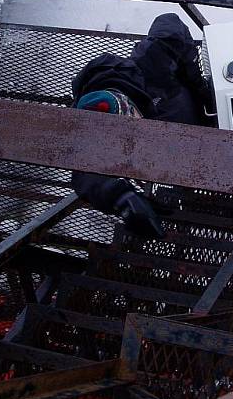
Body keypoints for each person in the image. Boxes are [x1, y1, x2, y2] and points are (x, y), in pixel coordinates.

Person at [70, 13, 214, 238]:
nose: (135, 129)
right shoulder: (87, 123)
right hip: (187, 164)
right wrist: (123, 198)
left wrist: (199, 87)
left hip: (213, 124)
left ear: (125, 104)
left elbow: (170, 22)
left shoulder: (147, 65)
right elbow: (83, 172)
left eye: (131, 121)